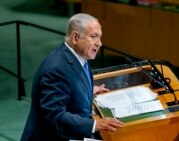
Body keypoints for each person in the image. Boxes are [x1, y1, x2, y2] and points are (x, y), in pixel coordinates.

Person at [21, 13, 124, 141]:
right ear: (75, 37)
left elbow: (69, 86)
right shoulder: (56, 69)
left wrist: (86, 91)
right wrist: (94, 125)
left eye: (100, 37)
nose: (99, 44)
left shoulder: (78, 56)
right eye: (94, 37)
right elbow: (55, 115)